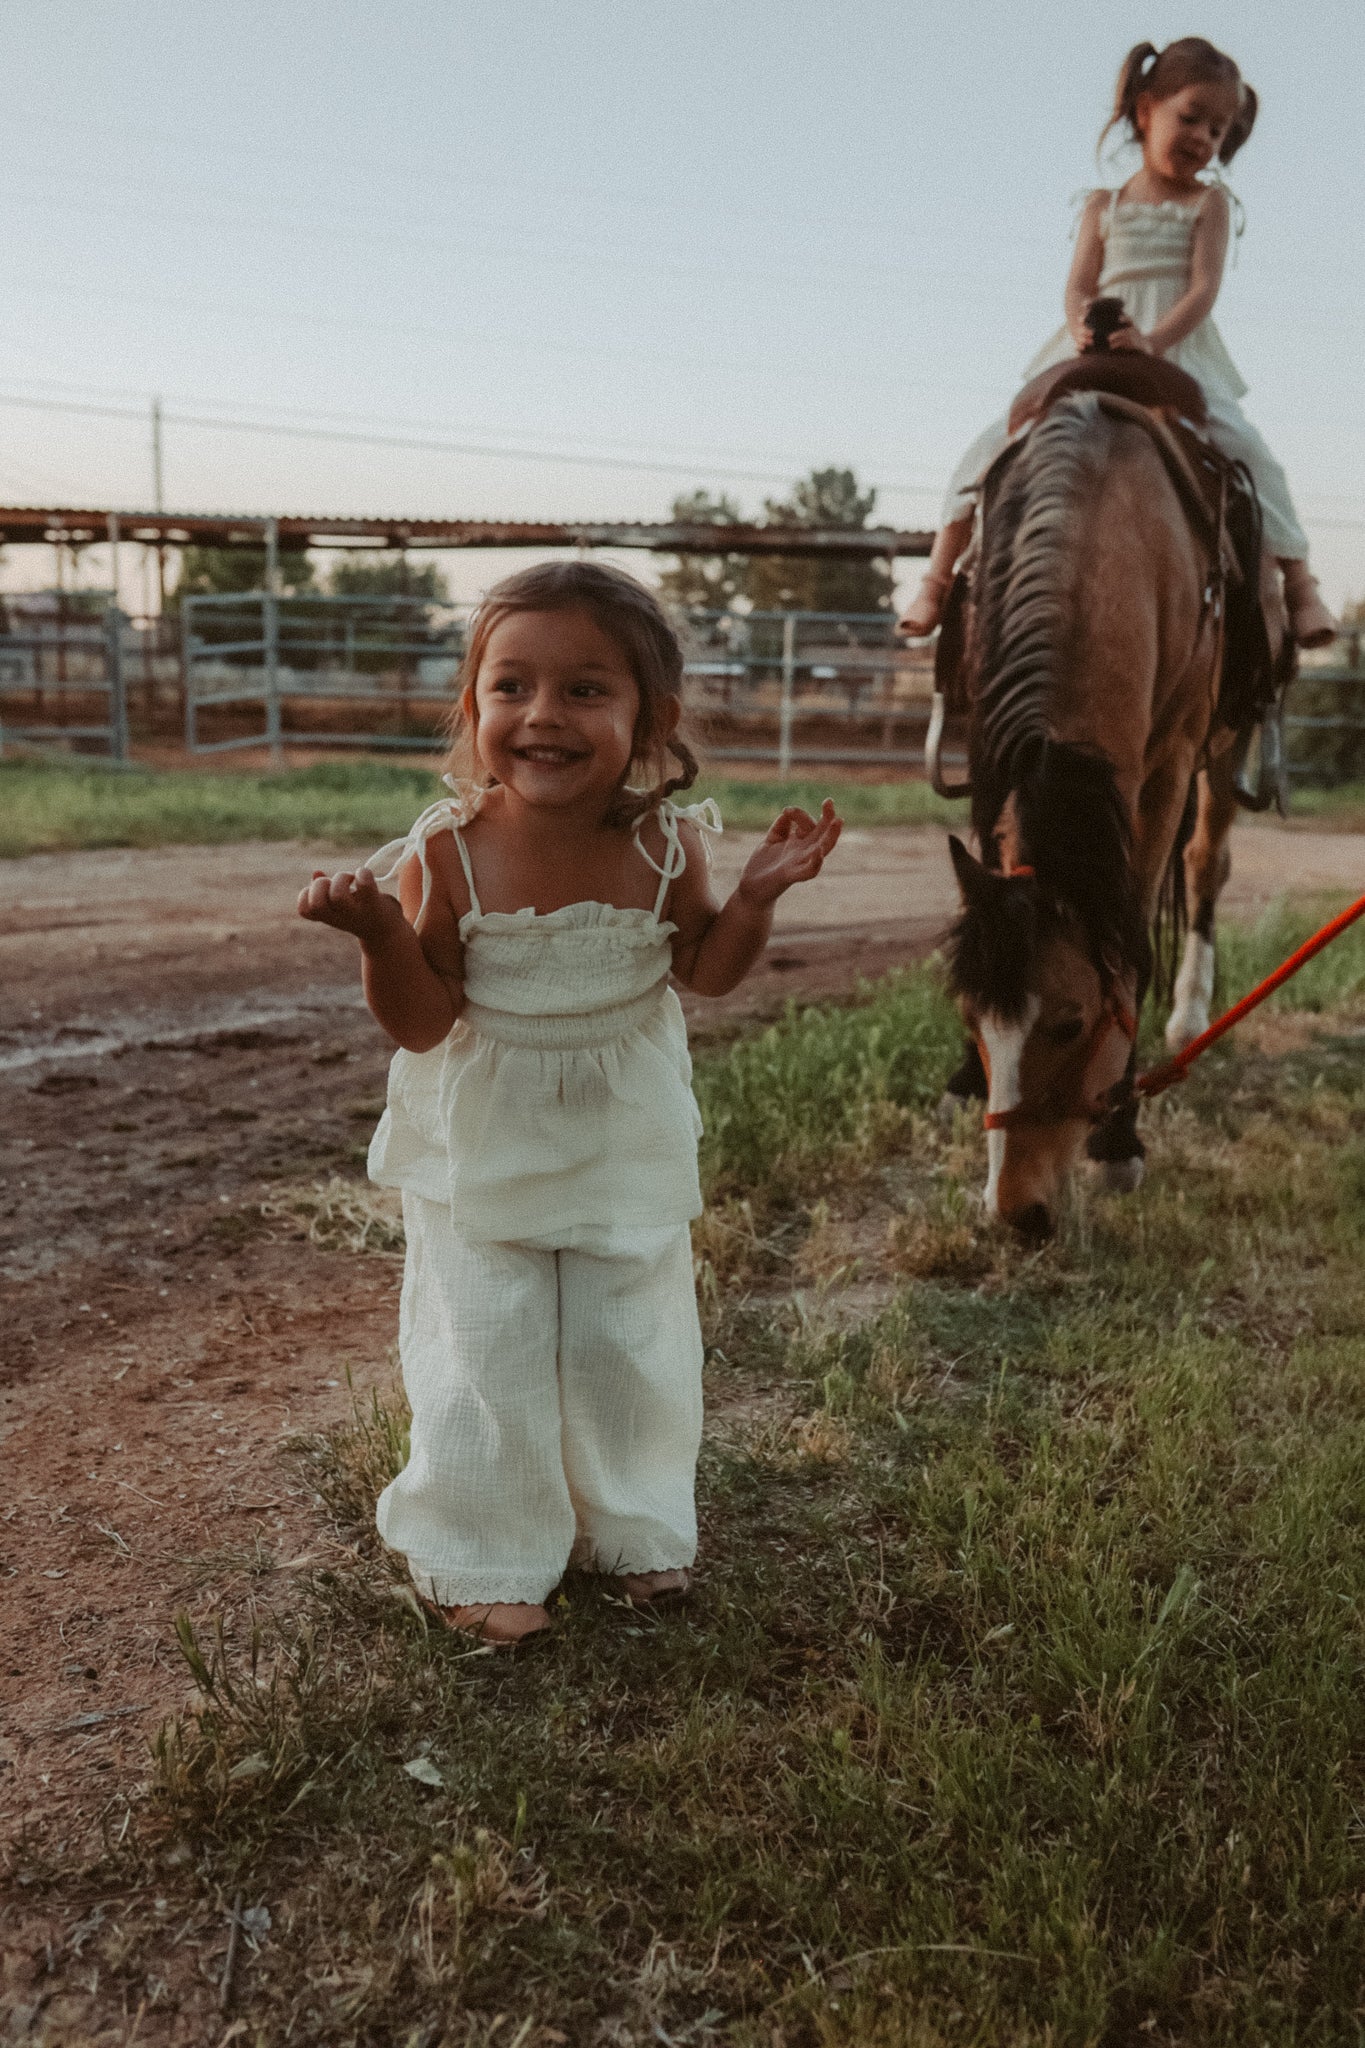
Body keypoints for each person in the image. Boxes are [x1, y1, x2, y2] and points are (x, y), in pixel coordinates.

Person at [299, 561, 842, 1646]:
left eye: (587, 689)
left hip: (618, 1121)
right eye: (512, 687)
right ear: (473, 705)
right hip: (485, 1128)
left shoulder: (664, 845)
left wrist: (756, 897)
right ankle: (485, 1548)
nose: (543, 714)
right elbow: (419, 1019)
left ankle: (631, 1527)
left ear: (652, 718)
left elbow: (707, 970)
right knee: (491, 1334)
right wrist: (381, 938)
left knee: (625, 1332)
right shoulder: (447, 852)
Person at [900, 36, 1337, 650]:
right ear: (1145, 110)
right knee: (993, 444)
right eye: (1191, 118)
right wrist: (1082, 322)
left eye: (1217, 130)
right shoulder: (1102, 205)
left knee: (1249, 452)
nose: (1203, 139)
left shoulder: (1209, 203)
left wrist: (1154, 342)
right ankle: (940, 579)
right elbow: (1079, 284)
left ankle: (1299, 584)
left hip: (1172, 347)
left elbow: (1203, 289)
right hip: (1096, 347)